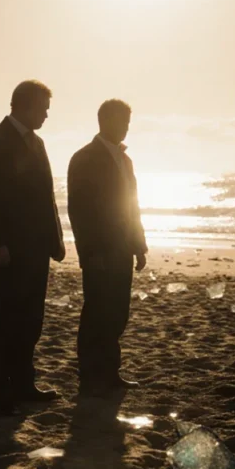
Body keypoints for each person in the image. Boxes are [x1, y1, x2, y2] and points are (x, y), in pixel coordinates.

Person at [0, 79, 66, 416]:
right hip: (8, 248)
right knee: (5, 318)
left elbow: (47, 197)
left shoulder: (37, 143)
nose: (46, 116)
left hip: (37, 246)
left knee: (31, 319)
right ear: (23, 105)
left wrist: (56, 240)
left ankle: (24, 383)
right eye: (43, 109)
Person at [67, 99, 147, 397]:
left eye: (128, 121)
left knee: (118, 312)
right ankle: (90, 376)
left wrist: (140, 245)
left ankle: (110, 372)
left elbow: (132, 206)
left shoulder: (126, 160)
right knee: (96, 311)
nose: (127, 127)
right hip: (100, 248)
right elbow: (79, 209)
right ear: (106, 120)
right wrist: (89, 251)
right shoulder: (85, 158)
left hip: (123, 246)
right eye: (123, 121)